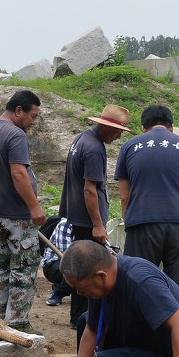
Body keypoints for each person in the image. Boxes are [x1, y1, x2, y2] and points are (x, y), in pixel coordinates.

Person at [0, 90, 47, 331]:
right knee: (24, 267)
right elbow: (18, 173)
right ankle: (17, 323)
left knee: (1, 267)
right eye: (32, 116)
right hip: (16, 216)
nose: (33, 122)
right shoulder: (15, 135)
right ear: (18, 111)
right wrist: (34, 206)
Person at [113, 104, 179, 298]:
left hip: (142, 221)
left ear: (144, 127)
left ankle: (141, 327)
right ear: (172, 127)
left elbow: (124, 197)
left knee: (138, 282)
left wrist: (130, 223)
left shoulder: (129, 147)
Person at [56, 103, 131, 328]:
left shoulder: (81, 139)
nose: (119, 136)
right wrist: (98, 225)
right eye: (119, 131)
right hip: (88, 219)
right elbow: (90, 189)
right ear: (107, 127)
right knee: (87, 269)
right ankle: (82, 319)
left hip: (78, 215)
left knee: (81, 265)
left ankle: (78, 317)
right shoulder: (95, 149)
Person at [40, 216, 73, 307]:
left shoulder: (96, 224)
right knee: (76, 265)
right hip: (54, 264)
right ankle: (58, 291)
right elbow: (66, 254)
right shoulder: (65, 224)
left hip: (73, 258)